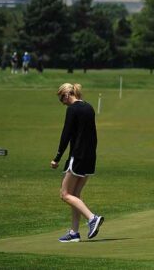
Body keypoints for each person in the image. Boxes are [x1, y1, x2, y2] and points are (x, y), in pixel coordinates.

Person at [50, 83, 104, 242]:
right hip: (89, 157)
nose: (62, 102)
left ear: (66, 95)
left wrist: (57, 158)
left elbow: (65, 135)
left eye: (61, 99)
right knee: (75, 195)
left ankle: (92, 218)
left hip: (78, 156)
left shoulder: (72, 109)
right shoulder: (89, 107)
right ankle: (74, 233)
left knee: (65, 194)